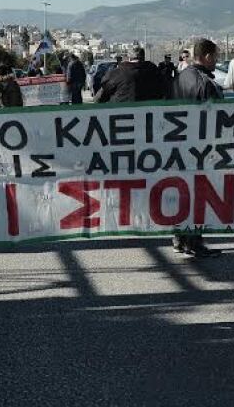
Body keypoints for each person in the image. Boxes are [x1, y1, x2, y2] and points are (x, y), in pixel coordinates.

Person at [171, 38, 223, 258]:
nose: (217, 62)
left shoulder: (181, 77)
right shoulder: (204, 82)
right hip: (200, 148)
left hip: (180, 145)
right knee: (198, 194)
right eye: (216, 57)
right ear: (208, 56)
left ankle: (180, 238)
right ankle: (193, 242)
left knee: (183, 192)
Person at [95, 47, 166, 103]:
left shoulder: (117, 73)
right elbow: (163, 91)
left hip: (121, 114)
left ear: (128, 58)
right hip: (150, 114)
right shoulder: (154, 71)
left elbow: (100, 97)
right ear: (144, 58)